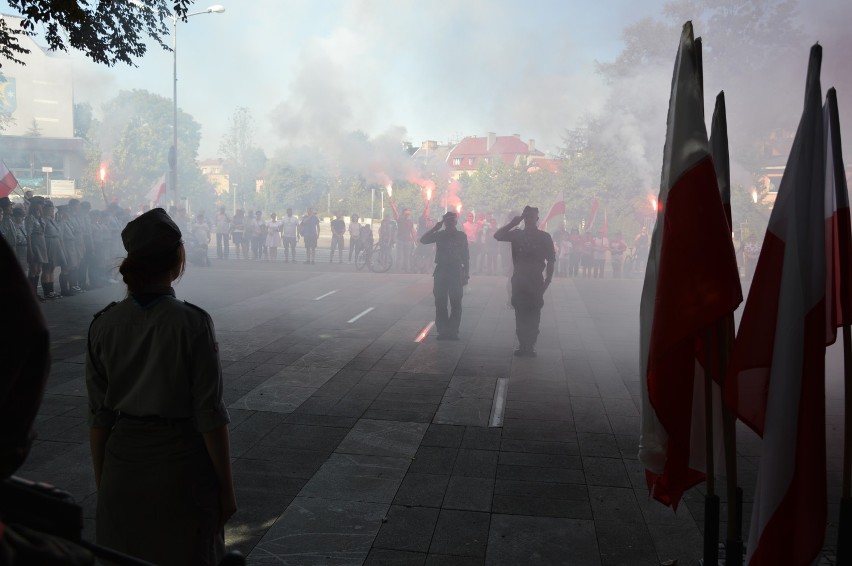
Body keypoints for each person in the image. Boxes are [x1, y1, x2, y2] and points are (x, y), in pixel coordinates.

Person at [86, 208, 236, 566]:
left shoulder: (104, 325)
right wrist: (226, 489)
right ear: (176, 262)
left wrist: (104, 483)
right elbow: (209, 415)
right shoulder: (192, 323)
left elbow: (98, 417)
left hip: (123, 466)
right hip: (180, 469)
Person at [494, 205, 555, 357]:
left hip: (535, 279)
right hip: (519, 279)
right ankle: (523, 345)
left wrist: (548, 281)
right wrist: (514, 223)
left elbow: (551, 260)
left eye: (532, 216)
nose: (529, 219)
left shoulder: (544, 237)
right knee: (520, 314)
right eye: (526, 216)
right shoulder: (516, 234)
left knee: (534, 314)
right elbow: (497, 236)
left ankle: (531, 345)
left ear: (537, 218)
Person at [420, 211, 469, 340]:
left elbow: (466, 256)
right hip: (441, 270)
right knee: (440, 302)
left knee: (456, 303)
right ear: (444, 223)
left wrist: (466, 274)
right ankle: (442, 331)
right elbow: (423, 240)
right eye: (447, 221)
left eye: (452, 221)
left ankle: (452, 331)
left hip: (455, 271)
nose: (449, 223)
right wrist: (435, 228)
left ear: (456, 222)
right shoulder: (440, 235)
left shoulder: (461, 236)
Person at [396, 208, 416, 272]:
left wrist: (414, 240)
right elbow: (396, 213)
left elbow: (412, 231)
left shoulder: (410, 221)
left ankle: (407, 270)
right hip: (400, 240)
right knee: (400, 257)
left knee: (407, 257)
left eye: (408, 214)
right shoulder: (400, 220)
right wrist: (392, 205)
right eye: (406, 214)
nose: (408, 215)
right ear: (403, 214)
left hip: (408, 241)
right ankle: (398, 270)